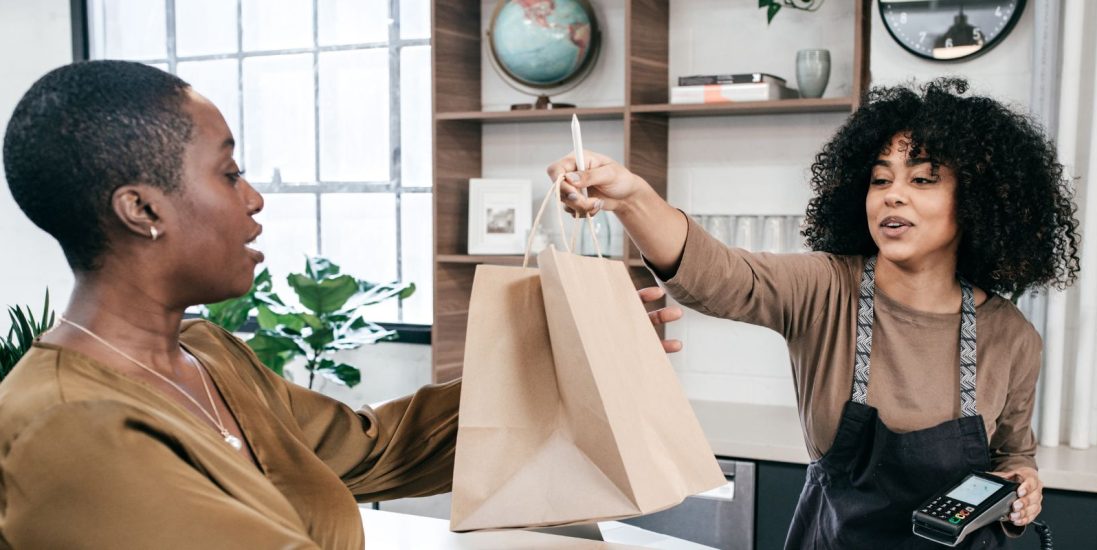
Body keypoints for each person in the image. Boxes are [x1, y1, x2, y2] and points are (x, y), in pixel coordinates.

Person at [0, 60, 679, 549]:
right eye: (229, 173)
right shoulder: (67, 429)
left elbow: (375, 448)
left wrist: (572, 355)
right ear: (142, 208)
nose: (255, 198)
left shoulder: (210, 356)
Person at [548, 78, 1080, 548]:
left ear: (976, 202)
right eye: (880, 179)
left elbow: (1013, 454)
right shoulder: (827, 288)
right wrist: (632, 199)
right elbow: (719, 275)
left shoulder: (1012, 336)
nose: (893, 196)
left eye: (921, 180)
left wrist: (1022, 490)